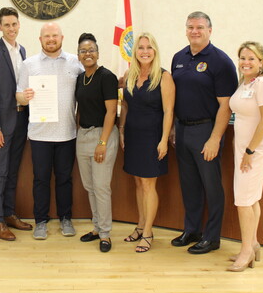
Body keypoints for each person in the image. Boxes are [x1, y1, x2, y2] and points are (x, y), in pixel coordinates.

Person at [170, 11, 238, 254]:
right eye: (190, 27)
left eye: (199, 27)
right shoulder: (179, 57)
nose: (194, 31)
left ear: (210, 30)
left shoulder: (221, 61)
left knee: (211, 186)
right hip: (183, 129)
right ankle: (192, 230)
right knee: (189, 185)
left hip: (206, 130)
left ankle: (212, 237)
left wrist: (215, 138)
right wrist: (174, 129)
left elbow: (226, 105)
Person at [16, 22, 83, 240]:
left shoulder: (75, 62)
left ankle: (66, 218)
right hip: (39, 134)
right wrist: (23, 97)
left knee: (65, 179)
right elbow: (18, 95)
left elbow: (90, 83)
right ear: (40, 39)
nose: (51, 39)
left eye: (55, 35)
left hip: (67, 133)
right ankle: (41, 221)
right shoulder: (29, 64)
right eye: (47, 36)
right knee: (40, 179)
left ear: (62, 37)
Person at [120, 33, 175, 253]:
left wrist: (163, 139)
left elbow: (169, 110)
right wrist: (122, 130)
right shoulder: (129, 74)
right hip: (133, 136)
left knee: (148, 184)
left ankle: (149, 232)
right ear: (135, 52)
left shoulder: (164, 77)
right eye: (140, 47)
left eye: (149, 47)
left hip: (153, 138)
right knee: (138, 183)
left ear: (155, 51)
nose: (144, 51)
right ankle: (140, 225)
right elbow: (125, 107)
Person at [0, 7, 32, 241]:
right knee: (0, 173)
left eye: (14, 24)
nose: (11, 28)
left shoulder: (22, 51)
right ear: (0, 27)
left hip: (22, 120)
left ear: (19, 25)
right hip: (1, 125)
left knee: (13, 172)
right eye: (7, 25)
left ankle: (10, 213)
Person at [227, 41, 263, 272]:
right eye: (243, 58)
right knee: (251, 198)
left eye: (251, 59)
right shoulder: (245, 83)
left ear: (261, 62)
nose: (246, 62)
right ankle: (253, 243)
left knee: (243, 201)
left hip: (255, 150)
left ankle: (246, 251)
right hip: (243, 150)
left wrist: (249, 151)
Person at [74, 33, 119, 252]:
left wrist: (102, 142)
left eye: (91, 50)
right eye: (83, 51)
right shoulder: (79, 78)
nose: (88, 54)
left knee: (101, 187)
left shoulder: (106, 77)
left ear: (98, 53)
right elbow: (79, 109)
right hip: (83, 136)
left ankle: (105, 234)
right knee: (89, 186)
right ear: (78, 56)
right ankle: (96, 227)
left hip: (103, 134)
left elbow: (111, 111)